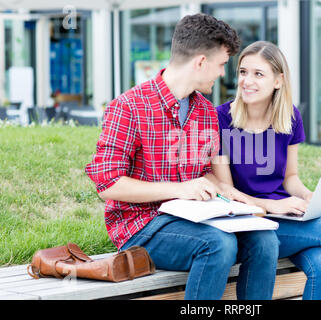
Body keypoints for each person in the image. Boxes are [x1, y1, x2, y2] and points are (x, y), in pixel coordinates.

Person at [85, 14, 280, 300]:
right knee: (218, 245)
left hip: (195, 219)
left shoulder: (204, 110)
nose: (222, 75)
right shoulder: (128, 107)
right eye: (222, 65)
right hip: (142, 226)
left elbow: (208, 171)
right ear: (201, 62)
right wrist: (180, 189)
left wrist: (227, 193)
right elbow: (109, 185)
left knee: (265, 241)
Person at [211, 40, 321, 300]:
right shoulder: (220, 119)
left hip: (284, 217)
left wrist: (308, 195)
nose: (247, 80)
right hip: (248, 223)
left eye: (258, 74)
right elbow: (227, 192)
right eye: (243, 72)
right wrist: (271, 206)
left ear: (278, 80)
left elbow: (290, 178)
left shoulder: (289, 117)